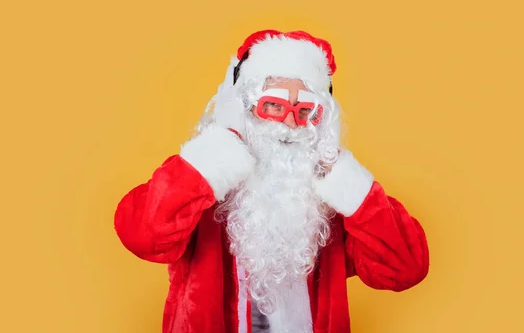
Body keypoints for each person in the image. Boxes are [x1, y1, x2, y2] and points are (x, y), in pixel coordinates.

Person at [114, 29, 429, 333]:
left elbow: (406, 268)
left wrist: (350, 186)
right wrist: (216, 150)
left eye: (305, 110)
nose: (292, 123)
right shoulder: (200, 187)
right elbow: (142, 235)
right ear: (243, 109)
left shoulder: (323, 204)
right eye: (274, 106)